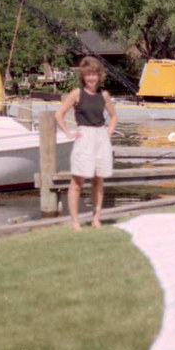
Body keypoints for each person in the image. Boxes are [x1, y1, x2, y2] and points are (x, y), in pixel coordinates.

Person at [55, 57, 117, 230]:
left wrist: (108, 133)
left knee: (98, 181)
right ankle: (74, 221)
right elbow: (59, 114)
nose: (91, 78)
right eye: (88, 75)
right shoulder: (76, 93)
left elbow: (113, 116)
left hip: (100, 137)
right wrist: (69, 133)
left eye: (94, 74)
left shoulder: (103, 95)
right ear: (83, 76)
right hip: (84, 136)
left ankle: (96, 217)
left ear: (99, 76)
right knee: (77, 181)